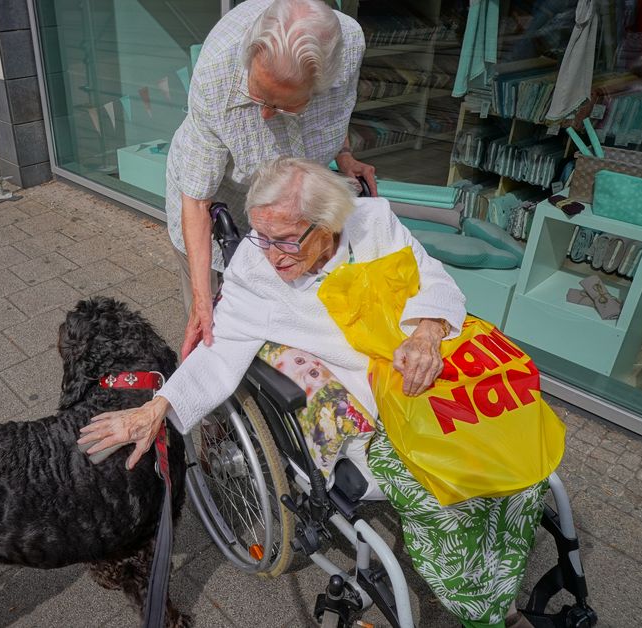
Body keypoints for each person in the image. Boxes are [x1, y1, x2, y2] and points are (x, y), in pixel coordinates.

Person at [80, 158, 546, 628]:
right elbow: (220, 354)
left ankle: (497, 569)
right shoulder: (254, 271)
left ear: (329, 225)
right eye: (261, 236)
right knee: (441, 488)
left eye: (285, 240)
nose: (271, 254)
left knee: (522, 458)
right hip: (365, 407)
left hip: (426, 380)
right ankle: (485, 610)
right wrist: (159, 406)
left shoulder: (374, 224)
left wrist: (426, 331)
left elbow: (433, 279)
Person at [166, 0, 377, 361]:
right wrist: (203, 303)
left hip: (289, 203)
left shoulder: (349, 46)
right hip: (220, 203)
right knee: (215, 320)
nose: (264, 114)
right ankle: (211, 410)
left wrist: (343, 154)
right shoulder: (217, 73)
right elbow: (196, 201)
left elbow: (335, 109)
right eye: (257, 96)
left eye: (278, 106)